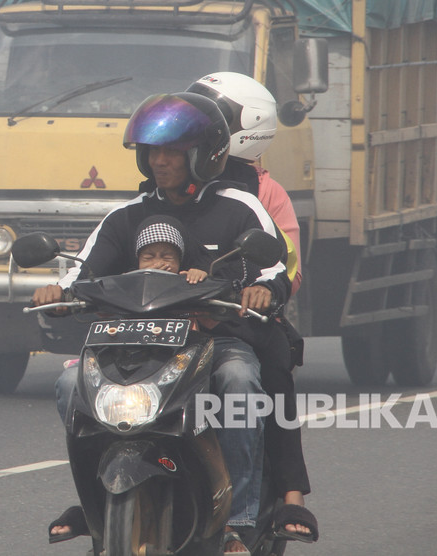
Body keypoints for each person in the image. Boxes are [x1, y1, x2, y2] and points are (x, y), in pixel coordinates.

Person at [38, 91, 291, 554]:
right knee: (70, 384)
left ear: (204, 154)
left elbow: (276, 268)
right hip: (133, 346)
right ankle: (94, 503)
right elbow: (81, 275)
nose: (160, 161)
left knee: (239, 381)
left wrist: (264, 289)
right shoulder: (126, 215)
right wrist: (58, 293)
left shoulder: (238, 206)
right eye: (153, 151)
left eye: (172, 151)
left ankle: (240, 519)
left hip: (215, 341)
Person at [185, 72, 316, 542]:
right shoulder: (172, 180)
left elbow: (290, 268)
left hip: (242, 320)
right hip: (175, 320)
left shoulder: (266, 193)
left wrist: (260, 290)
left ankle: (289, 496)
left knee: (271, 377)